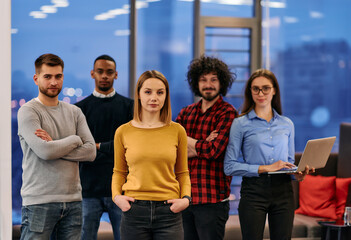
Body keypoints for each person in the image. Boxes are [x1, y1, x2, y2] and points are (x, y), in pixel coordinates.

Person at [223, 69, 312, 240]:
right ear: (250, 91)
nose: (260, 93)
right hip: (253, 192)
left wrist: (297, 175)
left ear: (274, 90)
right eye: (255, 88)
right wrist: (265, 168)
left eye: (265, 88)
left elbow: (289, 162)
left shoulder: (287, 124)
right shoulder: (240, 124)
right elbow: (229, 166)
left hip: (284, 191)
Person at [17, 53, 96, 240]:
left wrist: (53, 145)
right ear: (36, 79)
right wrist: (75, 139)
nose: (53, 82)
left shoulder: (75, 112)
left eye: (58, 76)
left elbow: (91, 151)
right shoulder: (28, 111)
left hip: (73, 202)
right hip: (39, 203)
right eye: (47, 76)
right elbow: (45, 151)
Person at [112, 70, 191, 240]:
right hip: (134, 212)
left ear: (166, 96)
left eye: (160, 92)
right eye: (148, 92)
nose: (154, 97)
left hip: (169, 212)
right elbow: (119, 172)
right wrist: (117, 197)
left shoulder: (177, 131)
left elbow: (182, 172)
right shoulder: (123, 131)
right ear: (139, 95)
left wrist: (186, 199)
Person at [176, 55, 238, 240]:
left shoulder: (228, 113)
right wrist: (204, 142)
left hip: (213, 199)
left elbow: (215, 151)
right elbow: (173, 151)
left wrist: (189, 141)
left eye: (213, 79)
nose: (208, 84)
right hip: (184, 198)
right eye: (203, 80)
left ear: (222, 83)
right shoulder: (186, 113)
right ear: (196, 83)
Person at [75, 55, 133, 240]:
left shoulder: (129, 107)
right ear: (93, 74)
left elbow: (129, 146)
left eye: (109, 72)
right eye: (100, 71)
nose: (104, 76)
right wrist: (110, 149)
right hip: (88, 189)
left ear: (116, 75)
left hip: (121, 190)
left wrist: (96, 147)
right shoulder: (80, 109)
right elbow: (80, 149)